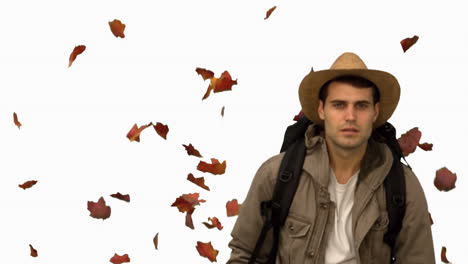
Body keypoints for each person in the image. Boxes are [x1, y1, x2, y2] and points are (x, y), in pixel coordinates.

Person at [226, 52, 436, 263]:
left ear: (375, 112)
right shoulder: (276, 175)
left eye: (361, 105)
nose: (350, 116)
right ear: (321, 110)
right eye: (339, 105)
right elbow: (244, 255)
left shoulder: (403, 185)